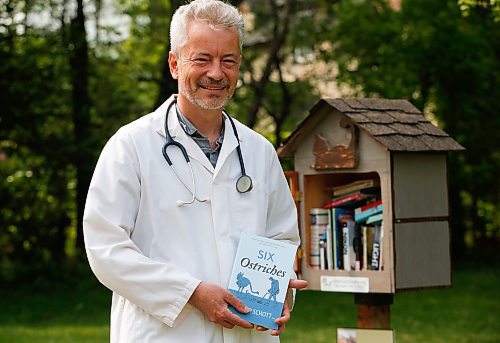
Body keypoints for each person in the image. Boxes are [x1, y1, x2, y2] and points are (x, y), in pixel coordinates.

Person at [83, 0, 307, 342]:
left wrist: (279, 295)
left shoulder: (259, 151)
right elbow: (106, 248)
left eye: (227, 61)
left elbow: (282, 239)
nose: (216, 73)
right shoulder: (131, 146)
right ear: (174, 64)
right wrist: (191, 293)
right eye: (202, 59)